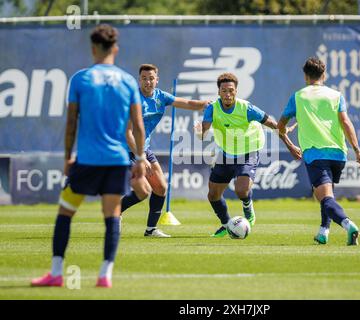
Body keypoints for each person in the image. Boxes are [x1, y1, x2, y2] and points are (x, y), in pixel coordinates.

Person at [31, 24, 146, 288]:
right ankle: (105, 275)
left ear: (93, 48)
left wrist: (67, 158)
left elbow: (71, 123)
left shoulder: (81, 79)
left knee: (66, 211)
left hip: (87, 160)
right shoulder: (128, 81)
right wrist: (139, 159)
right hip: (117, 161)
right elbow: (138, 126)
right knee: (112, 216)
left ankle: (57, 273)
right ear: (115, 48)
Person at [277, 57, 360, 246]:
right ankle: (323, 231)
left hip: (316, 154)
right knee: (328, 194)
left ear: (305, 76)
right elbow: (345, 122)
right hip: (338, 154)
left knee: (324, 198)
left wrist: (288, 139)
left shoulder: (298, 96)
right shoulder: (336, 95)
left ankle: (348, 224)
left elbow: (280, 126)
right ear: (324, 75)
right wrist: (357, 151)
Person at [195, 72, 294, 237]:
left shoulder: (246, 108)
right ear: (218, 92)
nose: (228, 94)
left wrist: (290, 146)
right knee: (213, 195)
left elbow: (272, 124)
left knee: (241, 191)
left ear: (236, 91)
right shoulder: (212, 108)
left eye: (231, 90)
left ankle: (248, 208)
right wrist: (199, 132)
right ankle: (227, 225)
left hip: (248, 150)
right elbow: (203, 132)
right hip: (226, 152)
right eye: (224, 90)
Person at [120, 64, 210, 238]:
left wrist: (206, 104)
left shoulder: (161, 97)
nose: (148, 82)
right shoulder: (133, 100)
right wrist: (140, 158)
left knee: (161, 188)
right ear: (139, 80)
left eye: (151, 78)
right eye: (144, 78)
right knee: (144, 191)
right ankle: (117, 211)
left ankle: (151, 230)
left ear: (157, 79)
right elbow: (127, 134)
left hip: (143, 150)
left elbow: (188, 103)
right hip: (126, 150)